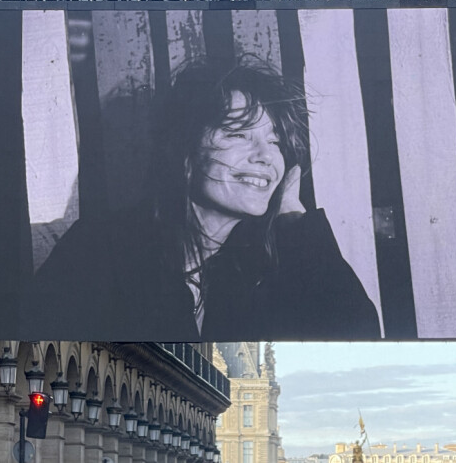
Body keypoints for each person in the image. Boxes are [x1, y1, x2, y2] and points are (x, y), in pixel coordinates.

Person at [27, 57, 381, 342]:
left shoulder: (257, 268)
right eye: (238, 133)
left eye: (274, 141)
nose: (265, 155)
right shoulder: (101, 248)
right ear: (184, 149)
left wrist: (292, 214)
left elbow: (357, 333)